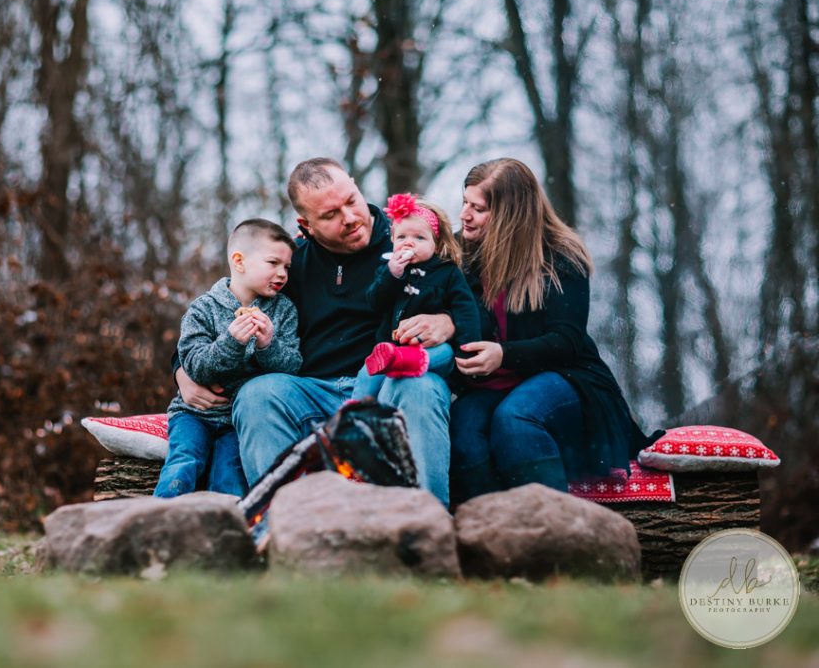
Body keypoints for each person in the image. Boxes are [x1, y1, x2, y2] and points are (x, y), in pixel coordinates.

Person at [175, 158, 456, 505]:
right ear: (305, 225)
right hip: (311, 390)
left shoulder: (409, 239)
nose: (350, 218)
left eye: (351, 200)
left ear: (355, 184)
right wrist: (180, 370)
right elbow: (222, 305)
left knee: (422, 386)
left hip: (386, 383)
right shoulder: (291, 264)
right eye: (330, 215)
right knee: (258, 394)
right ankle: (288, 527)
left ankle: (428, 524)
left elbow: (469, 293)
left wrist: (449, 322)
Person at [449, 157, 659, 504]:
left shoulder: (560, 256)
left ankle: (554, 532)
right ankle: (494, 533)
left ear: (509, 215)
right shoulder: (457, 254)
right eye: (464, 203)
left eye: (479, 208)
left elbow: (567, 341)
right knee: (464, 429)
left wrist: (504, 354)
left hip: (564, 376)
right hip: (489, 385)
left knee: (515, 417)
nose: (465, 215)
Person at [155, 219, 302, 498]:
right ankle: (160, 527)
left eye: (287, 267)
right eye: (273, 263)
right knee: (183, 464)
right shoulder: (203, 309)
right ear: (239, 261)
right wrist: (231, 343)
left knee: (230, 477)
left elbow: (292, 368)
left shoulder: (284, 312)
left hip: (239, 421)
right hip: (194, 414)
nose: (282, 274)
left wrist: (268, 345)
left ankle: (224, 536)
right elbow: (195, 365)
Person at [352, 193, 490, 399]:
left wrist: (468, 348)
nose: (409, 243)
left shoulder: (447, 272)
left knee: (443, 353)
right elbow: (375, 302)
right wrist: (392, 275)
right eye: (402, 237)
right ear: (392, 239)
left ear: (435, 242)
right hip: (391, 347)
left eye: (419, 238)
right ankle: (353, 411)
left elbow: (465, 309)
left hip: (433, 348)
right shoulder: (389, 269)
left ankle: (402, 362)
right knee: (367, 373)